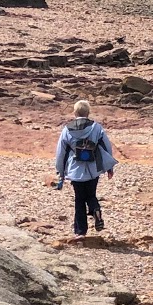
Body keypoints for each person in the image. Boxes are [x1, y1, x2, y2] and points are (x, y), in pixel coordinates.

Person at [52, 99, 116, 239]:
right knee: (91, 194)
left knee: (79, 199)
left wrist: (60, 172)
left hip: (75, 170)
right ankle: (95, 209)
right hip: (93, 169)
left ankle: (80, 232)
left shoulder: (67, 129)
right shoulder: (96, 127)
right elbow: (106, 146)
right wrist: (109, 167)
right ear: (88, 113)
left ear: (75, 112)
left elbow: (61, 152)